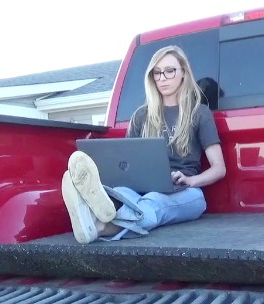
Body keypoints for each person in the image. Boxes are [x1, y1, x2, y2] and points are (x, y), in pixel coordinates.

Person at [61, 45, 226, 244]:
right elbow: (126, 161)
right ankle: (97, 209)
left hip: (186, 192)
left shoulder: (199, 113)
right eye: (157, 73)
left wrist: (191, 181)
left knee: (155, 202)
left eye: (169, 71)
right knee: (121, 194)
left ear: (183, 72)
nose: (162, 78)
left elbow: (219, 168)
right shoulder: (141, 115)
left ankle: (101, 226)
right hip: (139, 190)